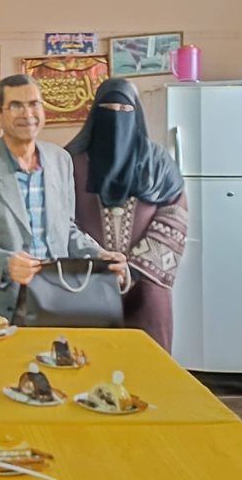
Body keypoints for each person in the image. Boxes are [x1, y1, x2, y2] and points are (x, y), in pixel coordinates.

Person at [0, 74, 126, 325]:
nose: (27, 114)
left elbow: (66, 230)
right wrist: (4, 264)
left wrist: (98, 255)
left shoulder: (61, 161)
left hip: (56, 301)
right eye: (15, 105)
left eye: (34, 104)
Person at [66, 78, 187, 352]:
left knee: (147, 360)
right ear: (96, 114)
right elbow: (59, 219)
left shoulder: (157, 163)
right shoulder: (71, 162)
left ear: (137, 113)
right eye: (108, 109)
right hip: (85, 281)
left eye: (125, 110)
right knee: (87, 358)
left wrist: (131, 270)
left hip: (146, 285)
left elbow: (174, 216)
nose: (116, 117)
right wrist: (99, 260)